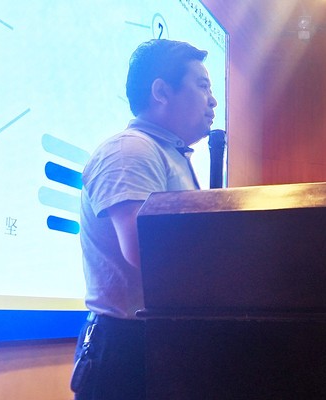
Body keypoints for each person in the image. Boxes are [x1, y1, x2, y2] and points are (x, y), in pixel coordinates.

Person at [71, 39, 218, 400]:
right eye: (202, 86)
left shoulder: (170, 154)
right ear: (161, 92)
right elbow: (145, 248)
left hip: (156, 341)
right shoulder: (131, 150)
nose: (213, 101)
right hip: (126, 348)